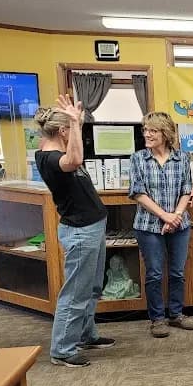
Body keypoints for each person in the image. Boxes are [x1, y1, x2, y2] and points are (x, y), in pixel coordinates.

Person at [34, 96, 115, 367]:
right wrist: (73, 121)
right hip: (81, 232)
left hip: (91, 227)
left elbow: (76, 155)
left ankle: (85, 334)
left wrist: (75, 123)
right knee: (76, 292)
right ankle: (62, 350)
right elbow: (76, 157)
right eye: (73, 129)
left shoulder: (60, 152)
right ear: (63, 131)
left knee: (91, 288)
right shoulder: (49, 158)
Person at [129, 111, 193, 338]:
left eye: (153, 131)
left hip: (180, 225)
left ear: (166, 133)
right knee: (155, 274)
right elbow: (138, 193)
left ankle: (176, 314)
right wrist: (165, 216)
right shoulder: (138, 158)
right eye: (145, 130)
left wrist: (176, 216)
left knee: (177, 272)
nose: (147, 134)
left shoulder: (182, 158)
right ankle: (157, 319)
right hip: (148, 226)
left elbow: (187, 190)